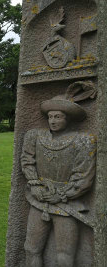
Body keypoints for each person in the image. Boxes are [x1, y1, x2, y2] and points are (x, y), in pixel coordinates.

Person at [21, 94, 96, 267]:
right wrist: (35, 185)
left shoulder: (83, 141)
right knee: (31, 248)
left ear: (67, 119)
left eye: (58, 117)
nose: (53, 121)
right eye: (50, 117)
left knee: (64, 255)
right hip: (39, 201)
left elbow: (84, 176)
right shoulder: (36, 136)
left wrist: (63, 195)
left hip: (67, 205)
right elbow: (27, 161)